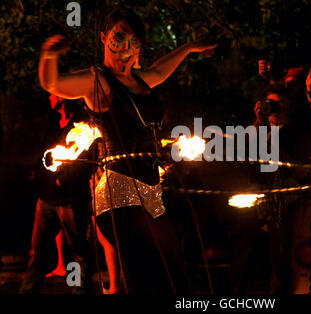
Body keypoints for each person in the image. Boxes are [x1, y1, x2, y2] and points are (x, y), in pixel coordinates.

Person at [38, 8, 216, 294]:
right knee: (144, 274)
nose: (124, 49)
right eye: (117, 38)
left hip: (151, 193)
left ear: (140, 47)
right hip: (118, 193)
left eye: (133, 42)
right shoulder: (97, 81)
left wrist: (191, 48)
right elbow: (53, 83)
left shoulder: (144, 80)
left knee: (174, 273)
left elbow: (161, 68)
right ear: (104, 38)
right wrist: (49, 54)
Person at [19, 97, 94, 294]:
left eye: (57, 94)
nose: (52, 97)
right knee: (37, 250)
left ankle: (78, 289)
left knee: (77, 252)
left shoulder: (82, 126)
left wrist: (64, 179)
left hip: (71, 200)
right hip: (46, 197)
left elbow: (86, 164)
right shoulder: (51, 122)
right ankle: (28, 290)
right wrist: (38, 174)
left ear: (65, 99)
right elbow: (43, 152)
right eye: (52, 95)